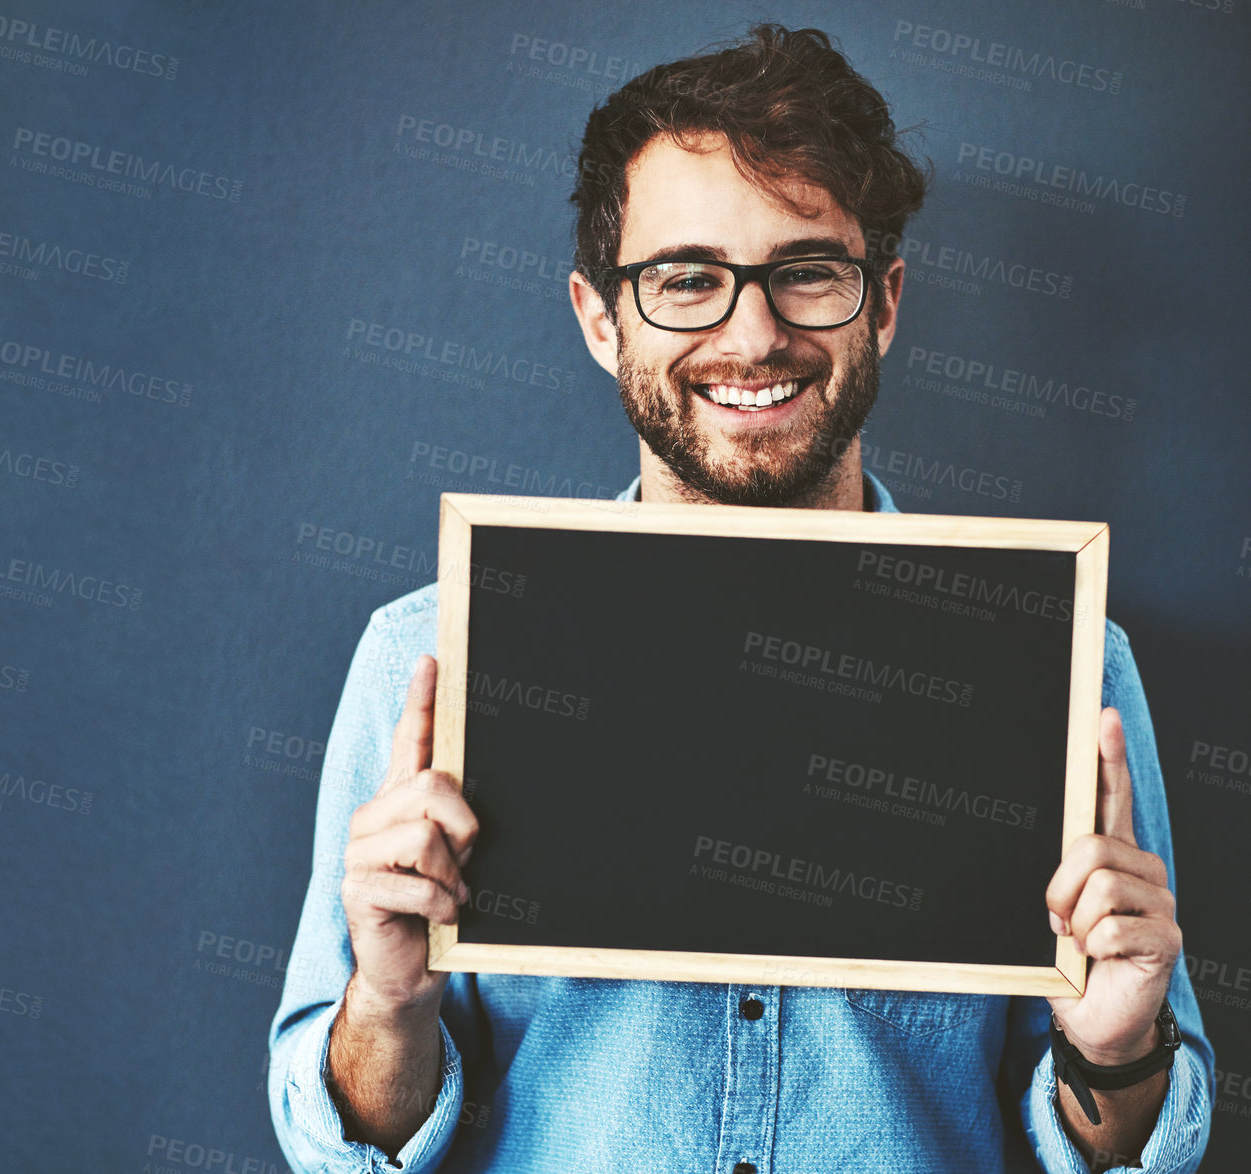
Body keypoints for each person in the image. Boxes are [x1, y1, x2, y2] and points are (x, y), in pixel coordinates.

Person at [268, 24, 1212, 1174]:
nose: (751, 333)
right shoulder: (425, 655)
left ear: (884, 303)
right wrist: (388, 1001)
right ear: (597, 316)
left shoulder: (1066, 661)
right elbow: (337, 1153)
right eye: (685, 280)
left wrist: (1114, 1045)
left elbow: (1133, 1156)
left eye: (806, 271)